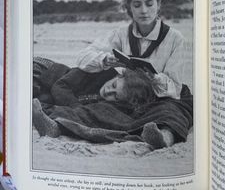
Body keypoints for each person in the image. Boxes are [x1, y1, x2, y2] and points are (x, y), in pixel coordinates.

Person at [32, 57, 193, 150]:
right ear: (119, 75)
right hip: (44, 74)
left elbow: (183, 98)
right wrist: (75, 106)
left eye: (115, 96)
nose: (108, 92)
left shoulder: (120, 102)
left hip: (49, 99)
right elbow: (60, 86)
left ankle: (164, 138)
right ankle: (55, 123)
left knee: (106, 114)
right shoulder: (98, 70)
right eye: (113, 86)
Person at [76, 0, 186, 99]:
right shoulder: (120, 34)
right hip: (124, 97)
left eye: (149, 4)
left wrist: (154, 79)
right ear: (129, 8)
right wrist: (105, 60)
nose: (144, 11)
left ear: (158, 5)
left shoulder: (175, 38)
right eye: (137, 5)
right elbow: (82, 58)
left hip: (156, 100)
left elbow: (175, 88)